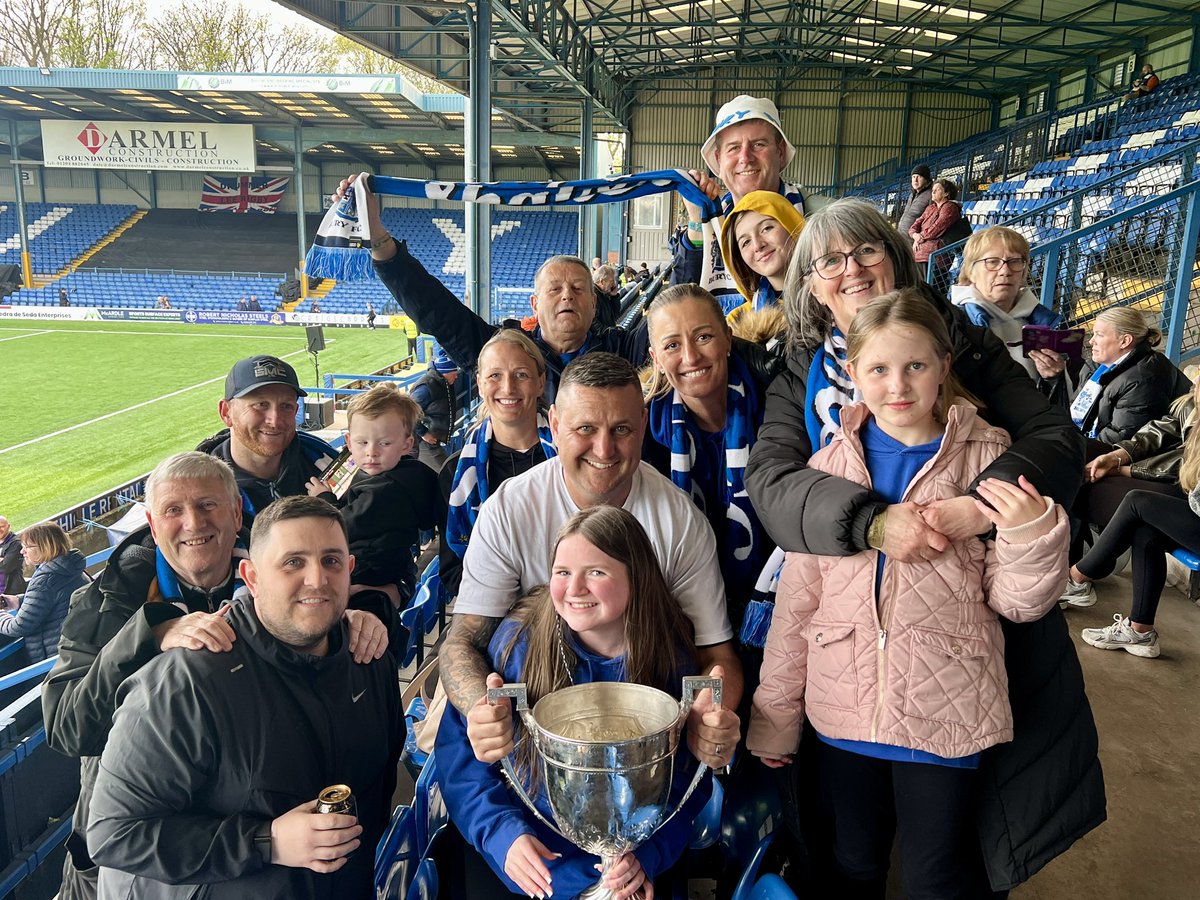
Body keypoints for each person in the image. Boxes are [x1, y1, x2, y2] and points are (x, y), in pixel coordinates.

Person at [744, 198, 1102, 892]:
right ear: (812, 283)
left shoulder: (964, 345)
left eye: (867, 252)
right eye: (831, 262)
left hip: (957, 632)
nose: (851, 271)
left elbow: (1054, 438)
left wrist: (982, 506)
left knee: (950, 858)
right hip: (846, 652)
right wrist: (874, 524)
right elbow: (775, 487)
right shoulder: (799, 374)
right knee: (851, 846)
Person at [43, 453, 387, 900]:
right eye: (173, 510)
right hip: (134, 861)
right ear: (150, 520)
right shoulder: (108, 601)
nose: (193, 522)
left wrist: (343, 619)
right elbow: (67, 730)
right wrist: (145, 636)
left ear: (236, 511)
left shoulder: (287, 583)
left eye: (208, 505)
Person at [443, 352, 741, 771]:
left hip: (638, 734)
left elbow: (717, 653)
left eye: (621, 429)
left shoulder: (680, 520)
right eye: (585, 428)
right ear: (557, 424)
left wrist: (708, 714)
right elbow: (462, 643)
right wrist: (482, 710)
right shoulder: (509, 509)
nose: (604, 449)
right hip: (532, 727)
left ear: (641, 424)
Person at [438, 506, 719, 900]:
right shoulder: (519, 646)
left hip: (634, 870)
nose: (574, 589)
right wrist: (501, 835)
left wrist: (648, 855)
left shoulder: (670, 658)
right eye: (563, 572)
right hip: (534, 864)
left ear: (637, 578)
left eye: (597, 572)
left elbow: (689, 780)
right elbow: (460, 757)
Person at [334, 174, 649, 403]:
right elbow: (437, 311)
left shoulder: (621, 350)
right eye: (555, 289)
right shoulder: (505, 352)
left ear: (594, 303)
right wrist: (377, 238)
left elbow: (679, 319)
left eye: (578, 288)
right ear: (534, 304)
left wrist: (696, 227)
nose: (567, 295)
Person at [642, 284, 782, 631]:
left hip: (778, 600)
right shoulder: (641, 430)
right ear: (656, 358)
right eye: (672, 345)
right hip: (684, 606)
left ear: (727, 338)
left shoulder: (778, 403)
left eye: (703, 337)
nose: (690, 357)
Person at [674, 95, 827, 314]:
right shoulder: (715, 223)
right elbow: (680, 305)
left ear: (781, 153)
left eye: (758, 144)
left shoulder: (822, 218)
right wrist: (699, 223)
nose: (745, 157)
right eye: (734, 148)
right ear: (718, 160)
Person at [307, 383, 440, 622]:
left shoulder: (385, 491)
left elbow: (339, 528)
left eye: (384, 443)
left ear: (407, 444)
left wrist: (324, 499)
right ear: (348, 442)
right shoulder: (407, 474)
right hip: (389, 572)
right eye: (362, 443)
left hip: (368, 583)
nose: (372, 452)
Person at [1059, 379, 1199, 607]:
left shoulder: (1145, 374)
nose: (1092, 341)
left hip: (1190, 499)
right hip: (1188, 495)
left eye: (1100, 338)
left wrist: (1124, 469)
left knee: (1137, 502)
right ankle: (1140, 631)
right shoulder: (1192, 403)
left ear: (1125, 341)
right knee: (1073, 450)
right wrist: (1118, 456)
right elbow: (1162, 430)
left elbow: (1188, 466)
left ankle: (1076, 578)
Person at [441, 329, 555, 597]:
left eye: (521, 375)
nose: (508, 388)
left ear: (541, 382)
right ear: (480, 384)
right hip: (494, 619)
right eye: (495, 376)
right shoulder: (456, 474)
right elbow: (453, 572)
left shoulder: (570, 459)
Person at [197, 355, 337, 524]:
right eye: (261, 405)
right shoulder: (197, 486)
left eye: (286, 406)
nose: (275, 420)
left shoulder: (324, 460)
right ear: (226, 412)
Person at [951, 226, 1076, 388]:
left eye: (1014, 261)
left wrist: (1053, 378)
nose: (1005, 271)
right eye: (992, 262)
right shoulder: (953, 324)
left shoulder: (1043, 322)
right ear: (971, 271)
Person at [1060, 307, 1190, 454]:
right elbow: (1070, 411)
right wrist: (1053, 378)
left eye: (1099, 335)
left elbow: (1121, 439)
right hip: (1092, 446)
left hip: (1132, 459)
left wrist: (1067, 448)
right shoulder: (1097, 365)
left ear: (1124, 341)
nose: (1091, 341)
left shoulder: (1145, 377)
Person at [0, 522, 86, 661]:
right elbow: (53, 598)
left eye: (27, 547)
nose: (22, 552)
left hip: (55, 659)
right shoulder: (69, 567)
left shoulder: (45, 580)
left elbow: (19, 627)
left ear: (45, 547)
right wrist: (19, 601)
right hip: (74, 649)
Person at [720, 189, 804, 319]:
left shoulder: (834, 295)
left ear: (792, 225)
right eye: (746, 242)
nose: (758, 245)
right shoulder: (738, 321)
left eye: (766, 229)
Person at [908, 178, 962, 299]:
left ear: (946, 193)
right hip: (919, 255)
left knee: (933, 294)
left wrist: (921, 236)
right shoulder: (930, 208)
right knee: (920, 292)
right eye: (933, 190)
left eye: (937, 190)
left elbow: (938, 227)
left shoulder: (950, 207)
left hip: (936, 257)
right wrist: (915, 235)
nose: (933, 192)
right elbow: (914, 225)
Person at [410, 349, 461, 471]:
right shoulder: (425, 388)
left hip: (434, 440)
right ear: (444, 373)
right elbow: (408, 412)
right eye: (454, 372)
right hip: (423, 442)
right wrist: (423, 433)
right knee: (445, 473)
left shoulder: (444, 383)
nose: (457, 376)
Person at [896, 165, 933, 239]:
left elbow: (930, 221)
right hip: (900, 237)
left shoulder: (931, 195)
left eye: (919, 177)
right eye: (913, 177)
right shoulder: (912, 194)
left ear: (926, 179)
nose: (915, 180)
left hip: (913, 241)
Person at [0, 516, 26, 597]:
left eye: (2, 526)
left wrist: (4, 562)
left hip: (11, 591)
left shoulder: (16, 543)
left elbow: (6, 567)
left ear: (8, 526)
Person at [592, 263, 622, 330]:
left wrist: (614, 296)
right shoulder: (593, 295)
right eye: (611, 281)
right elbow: (593, 323)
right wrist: (609, 333)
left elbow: (615, 315)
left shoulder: (605, 294)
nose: (613, 285)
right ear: (602, 282)